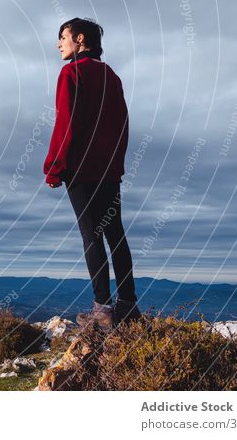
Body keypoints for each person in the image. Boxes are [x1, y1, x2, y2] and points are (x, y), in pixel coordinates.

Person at [43, 17, 142, 330]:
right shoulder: (111, 76)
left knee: (91, 235)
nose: (59, 44)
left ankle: (102, 310)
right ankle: (128, 305)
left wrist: (54, 167)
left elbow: (66, 124)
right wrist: (117, 165)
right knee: (116, 234)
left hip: (81, 171)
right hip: (109, 171)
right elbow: (122, 126)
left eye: (63, 37)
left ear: (80, 39)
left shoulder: (71, 72)